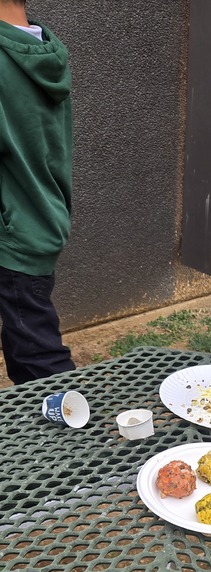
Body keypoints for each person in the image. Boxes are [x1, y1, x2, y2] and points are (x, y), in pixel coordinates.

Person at [0, 0, 75, 384]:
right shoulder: (42, 47)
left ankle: (73, 435)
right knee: (28, 340)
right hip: (41, 217)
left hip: (15, 231)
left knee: (38, 361)